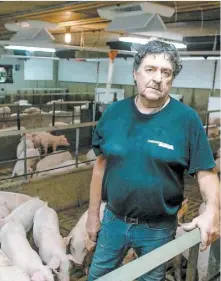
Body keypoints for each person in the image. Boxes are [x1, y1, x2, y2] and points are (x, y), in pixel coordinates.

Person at [86, 40, 220, 281]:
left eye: (165, 72)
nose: (157, 78)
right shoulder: (113, 113)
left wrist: (212, 208)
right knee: (98, 276)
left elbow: (206, 173)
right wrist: (93, 215)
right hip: (113, 221)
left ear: (171, 80)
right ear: (135, 74)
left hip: (158, 228)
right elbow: (100, 167)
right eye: (150, 69)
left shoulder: (187, 119)